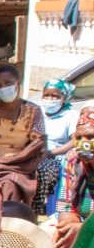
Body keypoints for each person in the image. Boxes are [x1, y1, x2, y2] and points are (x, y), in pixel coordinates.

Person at [0, 63, 46, 206]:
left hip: (20, 164)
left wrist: (10, 162)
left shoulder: (33, 111)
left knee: (9, 182)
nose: (3, 88)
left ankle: (8, 223)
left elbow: (37, 145)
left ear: (17, 83)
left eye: (8, 83)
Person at [54, 106, 94, 248]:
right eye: (78, 138)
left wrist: (82, 230)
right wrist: (68, 229)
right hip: (81, 223)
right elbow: (66, 206)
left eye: (90, 137)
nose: (83, 144)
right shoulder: (72, 158)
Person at [36, 79, 78, 214]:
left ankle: (47, 211)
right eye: (46, 95)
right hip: (35, 154)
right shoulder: (36, 112)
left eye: (55, 96)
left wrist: (51, 153)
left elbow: (75, 141)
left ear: (63, 98)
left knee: (46, 169)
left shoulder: (70, 115)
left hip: (58, 157)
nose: (49, 99)